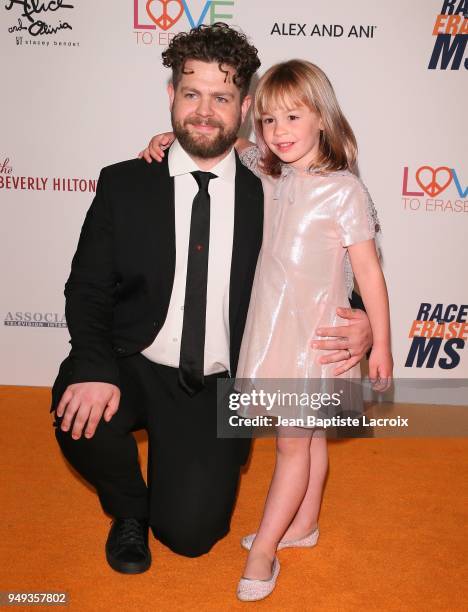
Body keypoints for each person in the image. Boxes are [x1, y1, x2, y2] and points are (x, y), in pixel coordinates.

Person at [51, 23, 373, 580]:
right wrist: (94, 366)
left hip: (218, 383)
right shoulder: (126, 182)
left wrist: (361, 318)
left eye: (221, 97)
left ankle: (199, 469)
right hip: (134, 360)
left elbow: (322, 259)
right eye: (191, 92)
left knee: (193, 537)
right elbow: (87, 287)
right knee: (79, 415)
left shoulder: (270, 185)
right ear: (171, 96)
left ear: (245, 107)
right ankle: (128, 508)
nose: (204, 110)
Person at [143, 58, 392, 601]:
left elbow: (369, 272)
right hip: (274, 331)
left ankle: (265, 550)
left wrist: (383, 346)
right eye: (269, 121)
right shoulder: (267, 168)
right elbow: (223, 145)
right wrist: (171, 139)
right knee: (310, 440)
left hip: (316, 341)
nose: (278, 133)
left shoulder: (344, 191)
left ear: (321, 118)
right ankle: (304, 524)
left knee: (291, 448)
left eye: (292, 119)